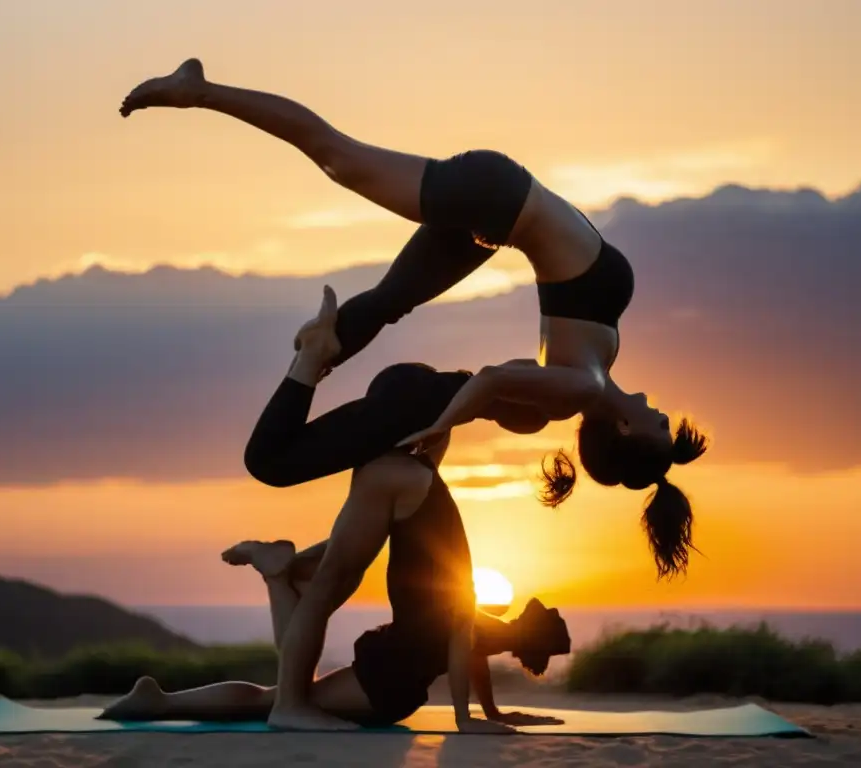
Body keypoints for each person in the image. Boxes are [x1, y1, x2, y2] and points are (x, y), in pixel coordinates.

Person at [119, 59, 711, 579]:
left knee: (354, 207)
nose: (663, 412)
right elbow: (494, 384)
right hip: (500, 205)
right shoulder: (590, 375)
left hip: (495, 209)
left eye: (660, 426)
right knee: (340, 167)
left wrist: (441, 425)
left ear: (627, 433)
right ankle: (200, 93)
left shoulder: (584, 384)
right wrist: (447, 421)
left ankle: (199, 95)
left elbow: (492, 378)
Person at [100, 444, 571, 732]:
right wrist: (470, 719)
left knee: (283, 692)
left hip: (386, 682)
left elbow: (467, 655)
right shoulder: (485, 627)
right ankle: (161, 699)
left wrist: (490, 712)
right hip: (382, 687)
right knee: (276, 698)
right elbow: (461, 649)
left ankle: (278, 574)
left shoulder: (491, 631)